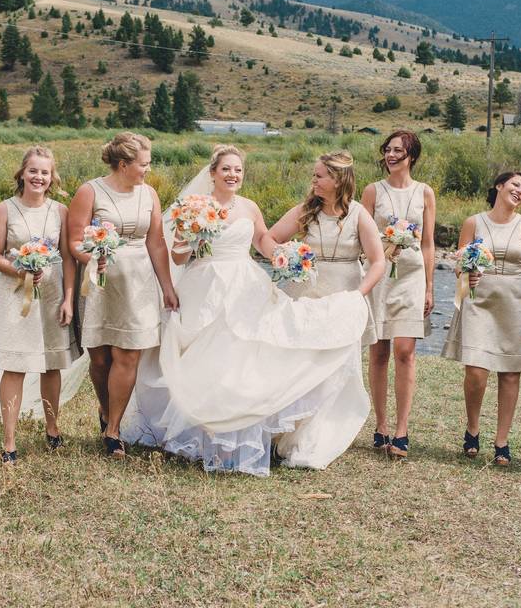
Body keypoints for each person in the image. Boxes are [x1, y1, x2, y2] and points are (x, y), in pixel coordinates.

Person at [120, 145, 371, 476]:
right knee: (203, 357)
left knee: (241, 358)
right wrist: (189, 240)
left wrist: (285, 258)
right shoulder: (193, 207)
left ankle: (234, 433)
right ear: (212, 173)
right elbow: (179, 258)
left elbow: (264, 242)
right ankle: (200, 432)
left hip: (243, 284)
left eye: (238, 170)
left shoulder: (250, 207)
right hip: (204, 285)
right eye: (226, 169)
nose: (233, 175)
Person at [67, 132, 179, 458]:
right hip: (100, 284)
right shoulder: (90, 192)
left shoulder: (149, 195)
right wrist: (92, 256)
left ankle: (114, 430)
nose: (148, 169)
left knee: (128, 355)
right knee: (100, 359)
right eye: (144, 164)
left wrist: (167, 286)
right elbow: (74, 242)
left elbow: (156, 242)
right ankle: (105, 409)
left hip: (139, 283)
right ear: (123, 164)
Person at [0, 146, 78, 464]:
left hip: (51, 295)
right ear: (22, 173)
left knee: (52, 364)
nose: (38, 177)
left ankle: (52, 428)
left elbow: (69, 259)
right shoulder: (5, 209)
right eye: (33, 171)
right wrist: (20, 269)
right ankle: (9, 442)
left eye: (44, 172)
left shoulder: (60, 211)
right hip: (15, 293)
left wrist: (69, 298)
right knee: (15, 366)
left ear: (51, 177)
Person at [441, 172, 521, 466]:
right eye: (515, 184)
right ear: (499, 186)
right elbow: (459, 265)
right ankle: (472, 428)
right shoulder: (474, 222)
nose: (520, 191)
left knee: (510, 373)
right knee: (476, 370)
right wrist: (466, 272)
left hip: (516, 302)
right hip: (478, 300)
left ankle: (502, 440)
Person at [360, 130, 436, 458]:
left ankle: (402, 430)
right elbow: (360, 236)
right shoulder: (372, 191)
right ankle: (380, 425)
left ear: (412, 157)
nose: (391, 156)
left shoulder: (425, 193)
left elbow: (429, 242)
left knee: (405, 351)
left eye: (398, 152)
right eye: (388, 150)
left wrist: (430, 286)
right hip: (379, 275)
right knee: (379, 352)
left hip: (411, 275)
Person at [270, 150, 385, 344]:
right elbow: (270, 238)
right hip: (305, 295)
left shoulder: (358, 214)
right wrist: (285, 257)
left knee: (338, 356)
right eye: (313, 175)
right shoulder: (304, 210)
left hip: (344, 295)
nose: (313, 180)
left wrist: (358, 295)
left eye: (319, 176)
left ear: (338, 180)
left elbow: (378, 262)